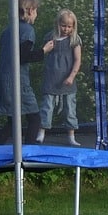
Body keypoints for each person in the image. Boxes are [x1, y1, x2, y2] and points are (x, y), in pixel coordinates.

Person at [0, 0, 54, 145]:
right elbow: (23, 56)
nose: (36, 14)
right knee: (34, 118)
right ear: (29, 11)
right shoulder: (27, 30)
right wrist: (44, 50)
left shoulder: (8, 29)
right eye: (35, 11)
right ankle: (29, 150)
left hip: (4, 79)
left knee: (13, 120)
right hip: (18, 81)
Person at [37, 8, 83, 146]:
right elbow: (44, 52)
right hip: (51, 78)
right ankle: (41, 132)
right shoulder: (50, 37)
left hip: (67, 80)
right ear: (58, 24)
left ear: (73, 26)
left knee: (69, 109)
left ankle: (71, 135)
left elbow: (77, 60)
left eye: (69, 26)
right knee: (46, 107)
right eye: (64, 25)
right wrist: (46, 49)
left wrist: (71, 76)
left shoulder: (74, 40)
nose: (66, 29)